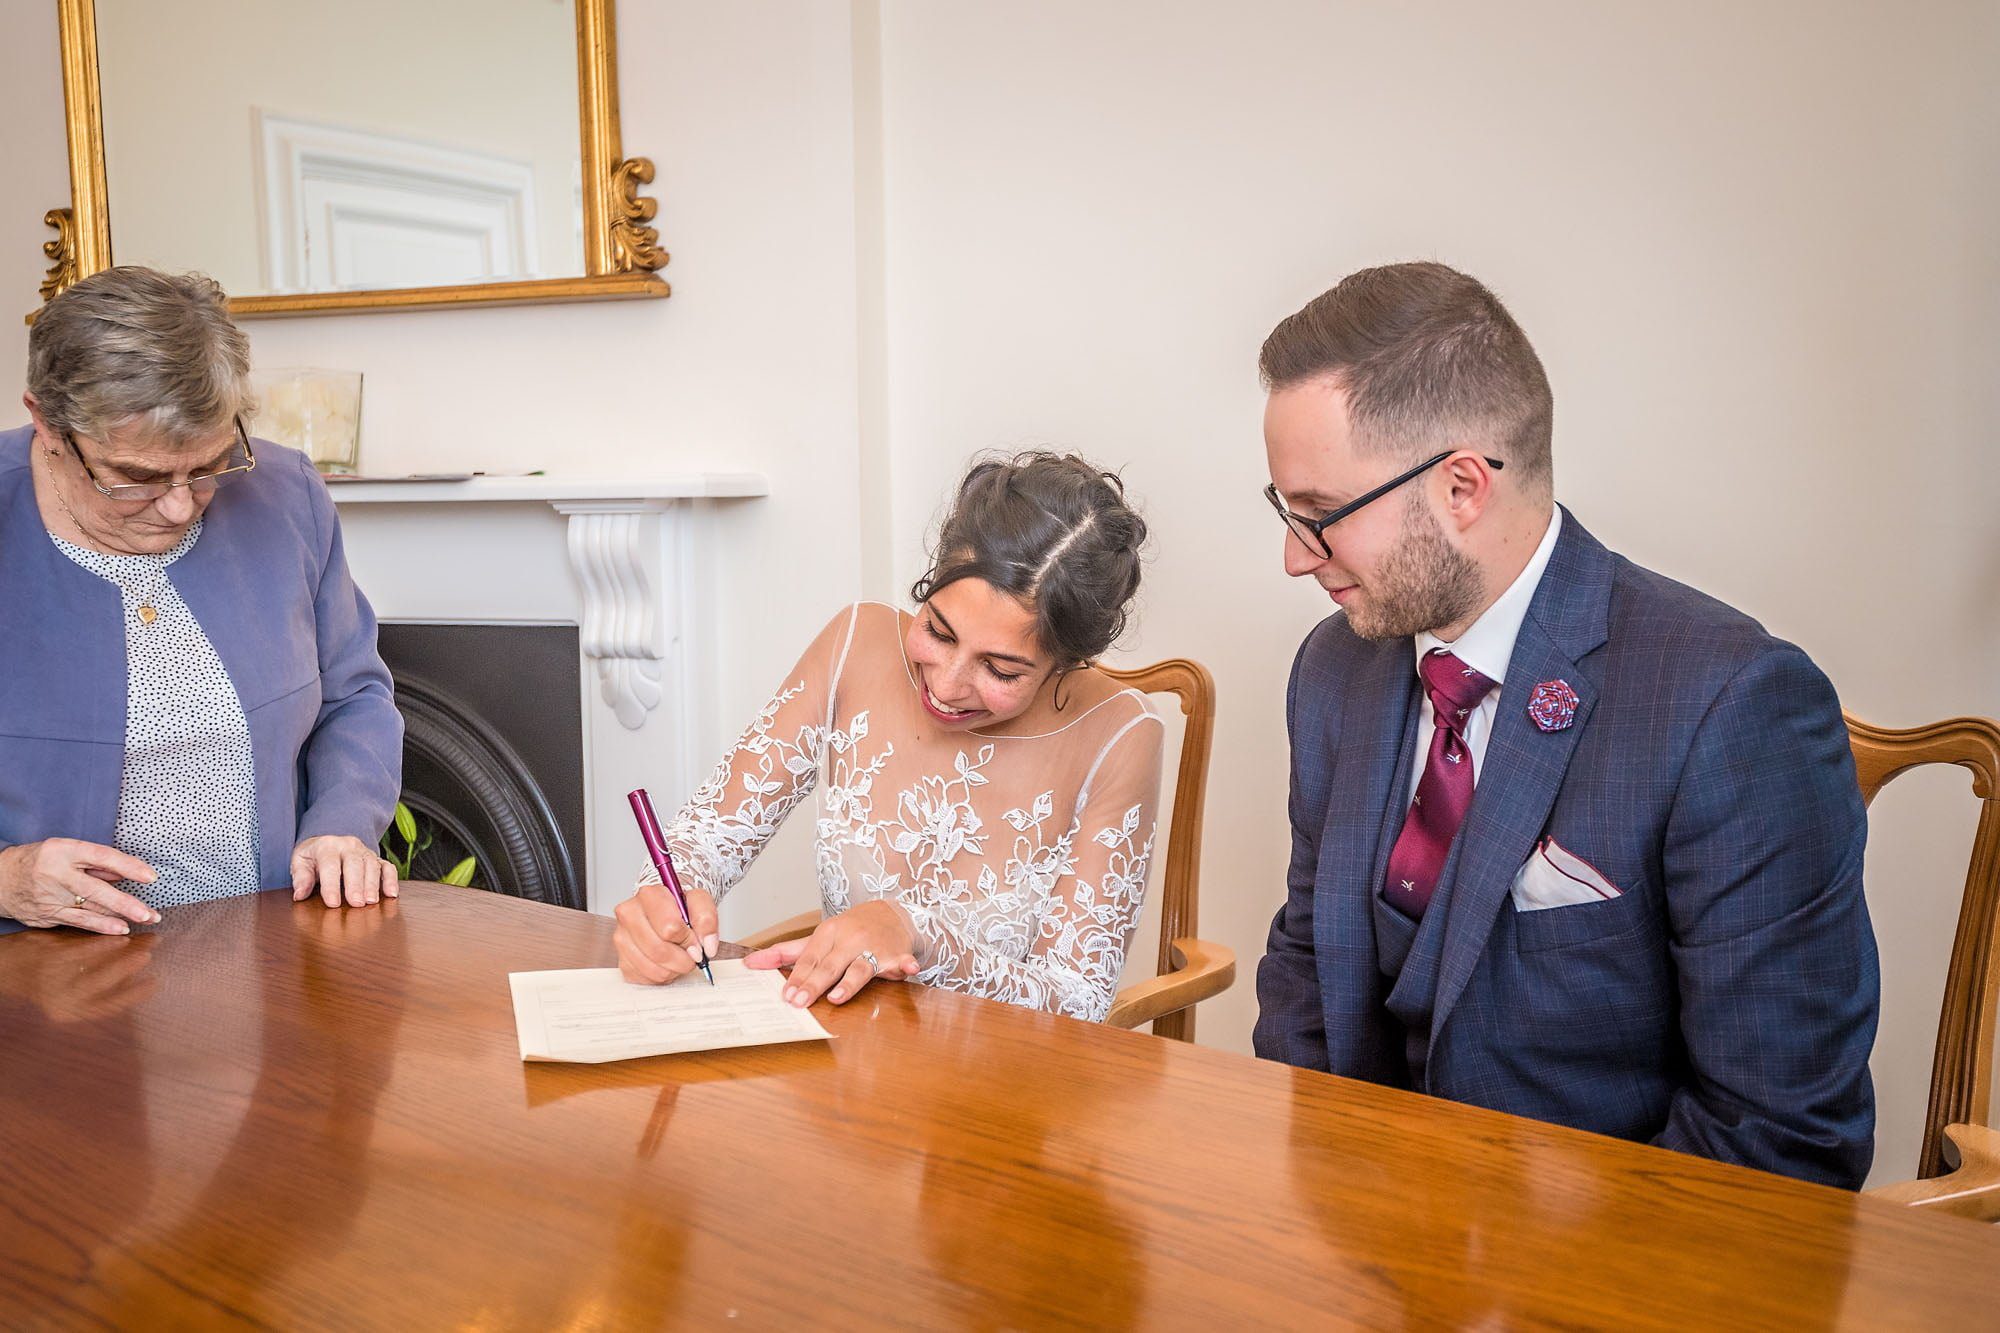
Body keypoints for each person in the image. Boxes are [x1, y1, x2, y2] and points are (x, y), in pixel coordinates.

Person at [1251, 261, 1879, 1187]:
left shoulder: (1732, 704)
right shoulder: (1333, 668)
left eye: (1320, 516)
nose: (1296, 559)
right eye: (1285, 511)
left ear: (1463, 487)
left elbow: (1779, 1142)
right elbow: (1308, 962)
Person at [613, 452, 1163, 1021]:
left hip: (1006, 1088)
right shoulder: (856, 643)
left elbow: (1079, 1003)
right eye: (938, 631)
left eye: (1001, 671)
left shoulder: (1119, 734)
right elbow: (703, 841)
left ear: (1065, 663)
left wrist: (919, 936)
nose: (946, 686)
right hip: (838, 1058)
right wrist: (664, 900)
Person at [0, 267, 404, 935]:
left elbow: (354, 694)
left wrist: (342, 824)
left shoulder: (287, 493)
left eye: (210, 464)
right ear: (46, 423)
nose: (180, 505)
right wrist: (9, 879)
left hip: (276, 952)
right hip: (52, 982)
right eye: (136, 477)